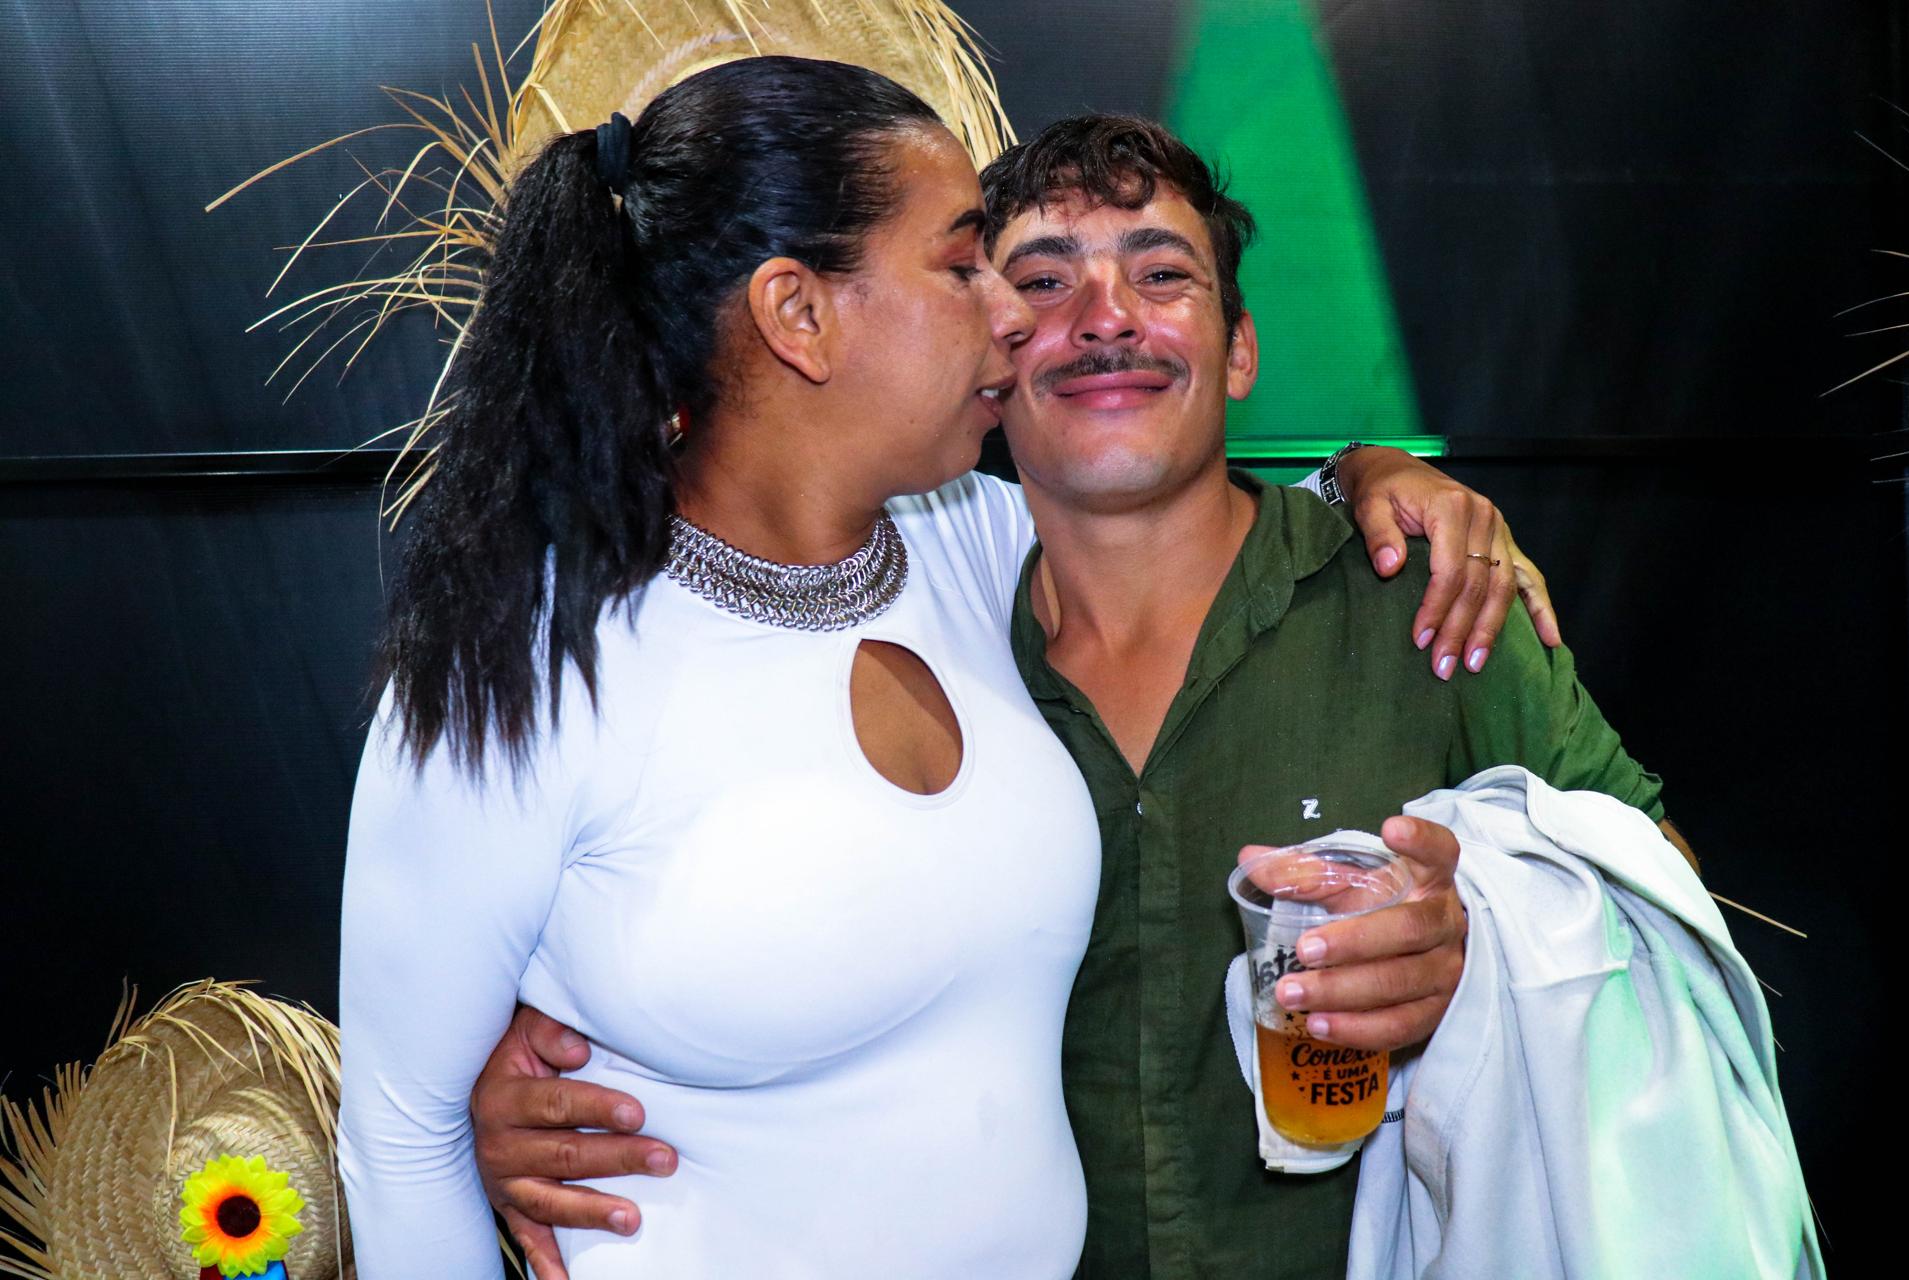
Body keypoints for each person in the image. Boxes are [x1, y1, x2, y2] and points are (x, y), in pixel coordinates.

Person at [338, 61, 1515, 1278]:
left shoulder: (972, 544)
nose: (1014, 313)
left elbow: (1177, 508)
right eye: (962, 266)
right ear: (798, 313)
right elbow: (399, 1135)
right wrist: (475, 1096)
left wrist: (1371, 476)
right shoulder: (520, 666)